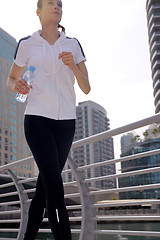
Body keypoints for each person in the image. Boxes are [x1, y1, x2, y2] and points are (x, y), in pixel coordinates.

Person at [7, 0, 90, 239]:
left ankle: (28, 236)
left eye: (60, 4)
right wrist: (17, 85)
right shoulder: (27, 44)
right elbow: (10, 79)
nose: (57, 6)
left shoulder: (73, 44)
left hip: (66, 123)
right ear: (38, 12)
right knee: (55, 187)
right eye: (51, 3)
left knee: (44, 190)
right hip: (36, 119)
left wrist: (73, 66)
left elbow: (86, 88)